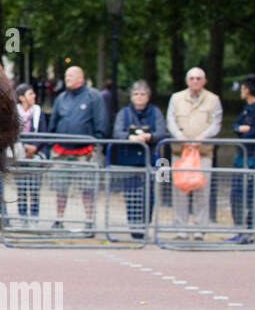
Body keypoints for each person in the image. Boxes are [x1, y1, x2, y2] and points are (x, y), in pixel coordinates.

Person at [46, 65, 106, 231]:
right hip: (62, 150)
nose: (67, 78)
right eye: (66, 76)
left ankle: (88, 220)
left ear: (81, 77)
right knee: (60, 188)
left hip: (85, 151)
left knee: (87, 189)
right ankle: (59, 220)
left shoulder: (94, 96)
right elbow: (54, 122)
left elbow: (100, 122)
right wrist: (51, 142)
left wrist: (96, 144)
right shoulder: (61, 98)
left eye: (71, 75)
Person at [166, 67, 222, 239]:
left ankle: (199, 229)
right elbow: (171, 120)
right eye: (192, 78)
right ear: (186, 80)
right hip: (180, 151)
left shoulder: (213, 100)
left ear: (204, 81)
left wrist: (202, 137)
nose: (195, 81)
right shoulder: (176, 98)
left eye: (199, 78)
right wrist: (180, 136)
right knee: (180, 190)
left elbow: (216, 123)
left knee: (202, 190)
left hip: (202, 152)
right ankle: (180, 229)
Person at [113, 80, 166, 238]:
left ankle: (145, 224)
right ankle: (134, 227)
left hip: (150, 159)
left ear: (148, 97)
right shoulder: (124, 113)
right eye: (136, 94)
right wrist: (130, 137)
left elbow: (162, 132)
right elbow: (117, 132)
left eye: (143, 94)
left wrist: (149, 137)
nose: (139, 97)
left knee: (149, 195)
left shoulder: (155, 112)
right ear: (131, 97)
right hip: (129, 160)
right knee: (131, 195)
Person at [227, 74, 255, 243]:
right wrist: (241, 129)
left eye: (243, 88)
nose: (241, 91)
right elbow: (236, 126)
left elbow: (254, 133)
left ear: (247, 89)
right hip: (241, 157)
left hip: (254, 158)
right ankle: (240, 230)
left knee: (251, 196)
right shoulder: (247, 108)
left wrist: (243, 130)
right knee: (236, 195)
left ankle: (250, 232)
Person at [13, 83, 48, 227]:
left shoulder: (38, 112)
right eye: (30, 94)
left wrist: (34, 147)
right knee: (21, 189)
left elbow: (43, 133)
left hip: (35, 154)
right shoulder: (14, 113)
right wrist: (23, 147)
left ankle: (33, 217)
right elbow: (12, 133)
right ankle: (22, 217)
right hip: (20, 154)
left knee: (34, 188)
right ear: (22, 98)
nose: (34, 96)